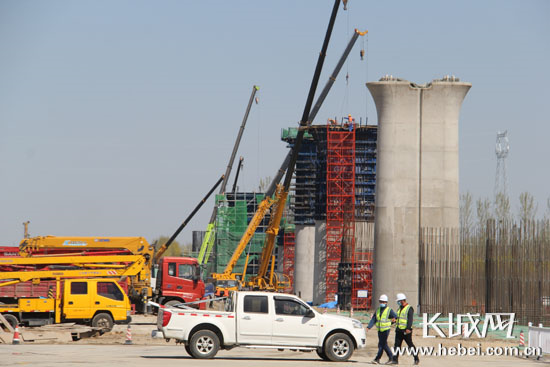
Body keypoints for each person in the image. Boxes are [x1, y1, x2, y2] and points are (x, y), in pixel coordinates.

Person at [367, 294, 397, 364]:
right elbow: (374, 319)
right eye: (381, 302)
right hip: (380, 329)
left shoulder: (389, 310)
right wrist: (369, 326)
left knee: (382, 344)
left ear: (386, 302)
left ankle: (378, 359)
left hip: (386, 329)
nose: (382, 303)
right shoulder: (378, 310)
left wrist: (391, 322)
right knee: (383, 344)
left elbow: (395, 317)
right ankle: (390, 358)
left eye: (384, 302)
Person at [391, 293, 419, 365]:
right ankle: (395, 360)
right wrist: (394, 320)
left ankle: (416, 359)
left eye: (398, 301)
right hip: (399, 330)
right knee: (397, 345)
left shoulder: (409, 308)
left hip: (406, 331)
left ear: (402, 301)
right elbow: (398, 318)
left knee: (410, 345)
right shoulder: (399, 308)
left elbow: (410, 319)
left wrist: (408, 328)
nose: (398, 302)